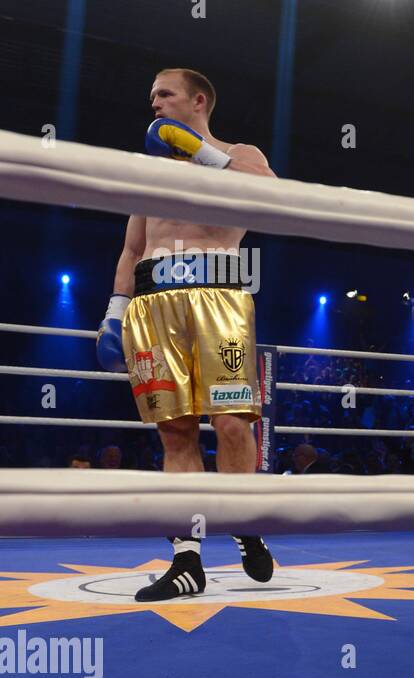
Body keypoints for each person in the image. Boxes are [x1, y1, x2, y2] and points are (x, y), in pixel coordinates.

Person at [93, 68, 276, 602]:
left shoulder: (241, 153)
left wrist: (198, 151)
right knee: (174, 432)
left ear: (198, 101)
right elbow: (132, 248)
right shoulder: (149, 172)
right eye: (150, 96)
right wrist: (113, 312)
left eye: (164, 94)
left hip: (218, 297)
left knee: (232, 423)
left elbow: (269, 198)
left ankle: (244, 521)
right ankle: (187, 560)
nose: (153, 104)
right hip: (153, 303)